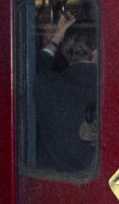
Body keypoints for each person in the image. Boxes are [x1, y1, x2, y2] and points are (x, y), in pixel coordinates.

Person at [34, 21, 97, 171]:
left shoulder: (45, 84)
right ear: (96, 53)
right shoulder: (111, 89)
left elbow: (41, 64)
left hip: (50, 185)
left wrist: (56, 37)